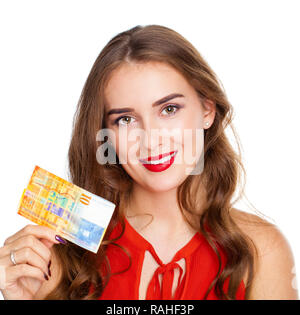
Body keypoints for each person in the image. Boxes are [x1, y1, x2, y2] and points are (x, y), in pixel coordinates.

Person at [0, 24, 298, 300]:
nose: (151, 139)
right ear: (106, 133)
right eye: (126, 119)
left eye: (169, 109)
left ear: (208, 109)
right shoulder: (61, 254)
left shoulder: (261, 250)